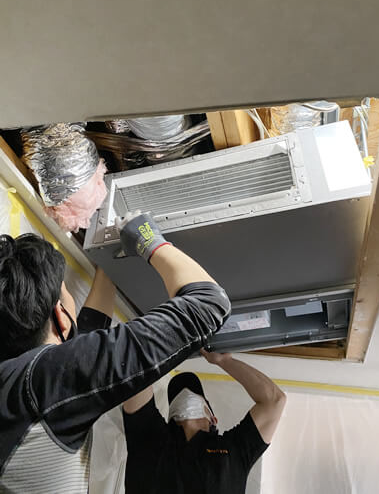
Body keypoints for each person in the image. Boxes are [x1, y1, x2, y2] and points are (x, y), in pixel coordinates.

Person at [0, 211, 231, 493]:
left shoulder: (25, 383)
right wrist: (146, 239)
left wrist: (117, 254)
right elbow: (207, 304)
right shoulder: (40, 385)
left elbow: (86, 336)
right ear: (61, 316)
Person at [123, 348, 286, 494]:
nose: (186, 394)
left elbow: (136, 371)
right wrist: (224, 361)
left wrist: (162, 349)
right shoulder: (233, 451)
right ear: (213, 419)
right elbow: (274, 402)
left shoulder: (151, 441)